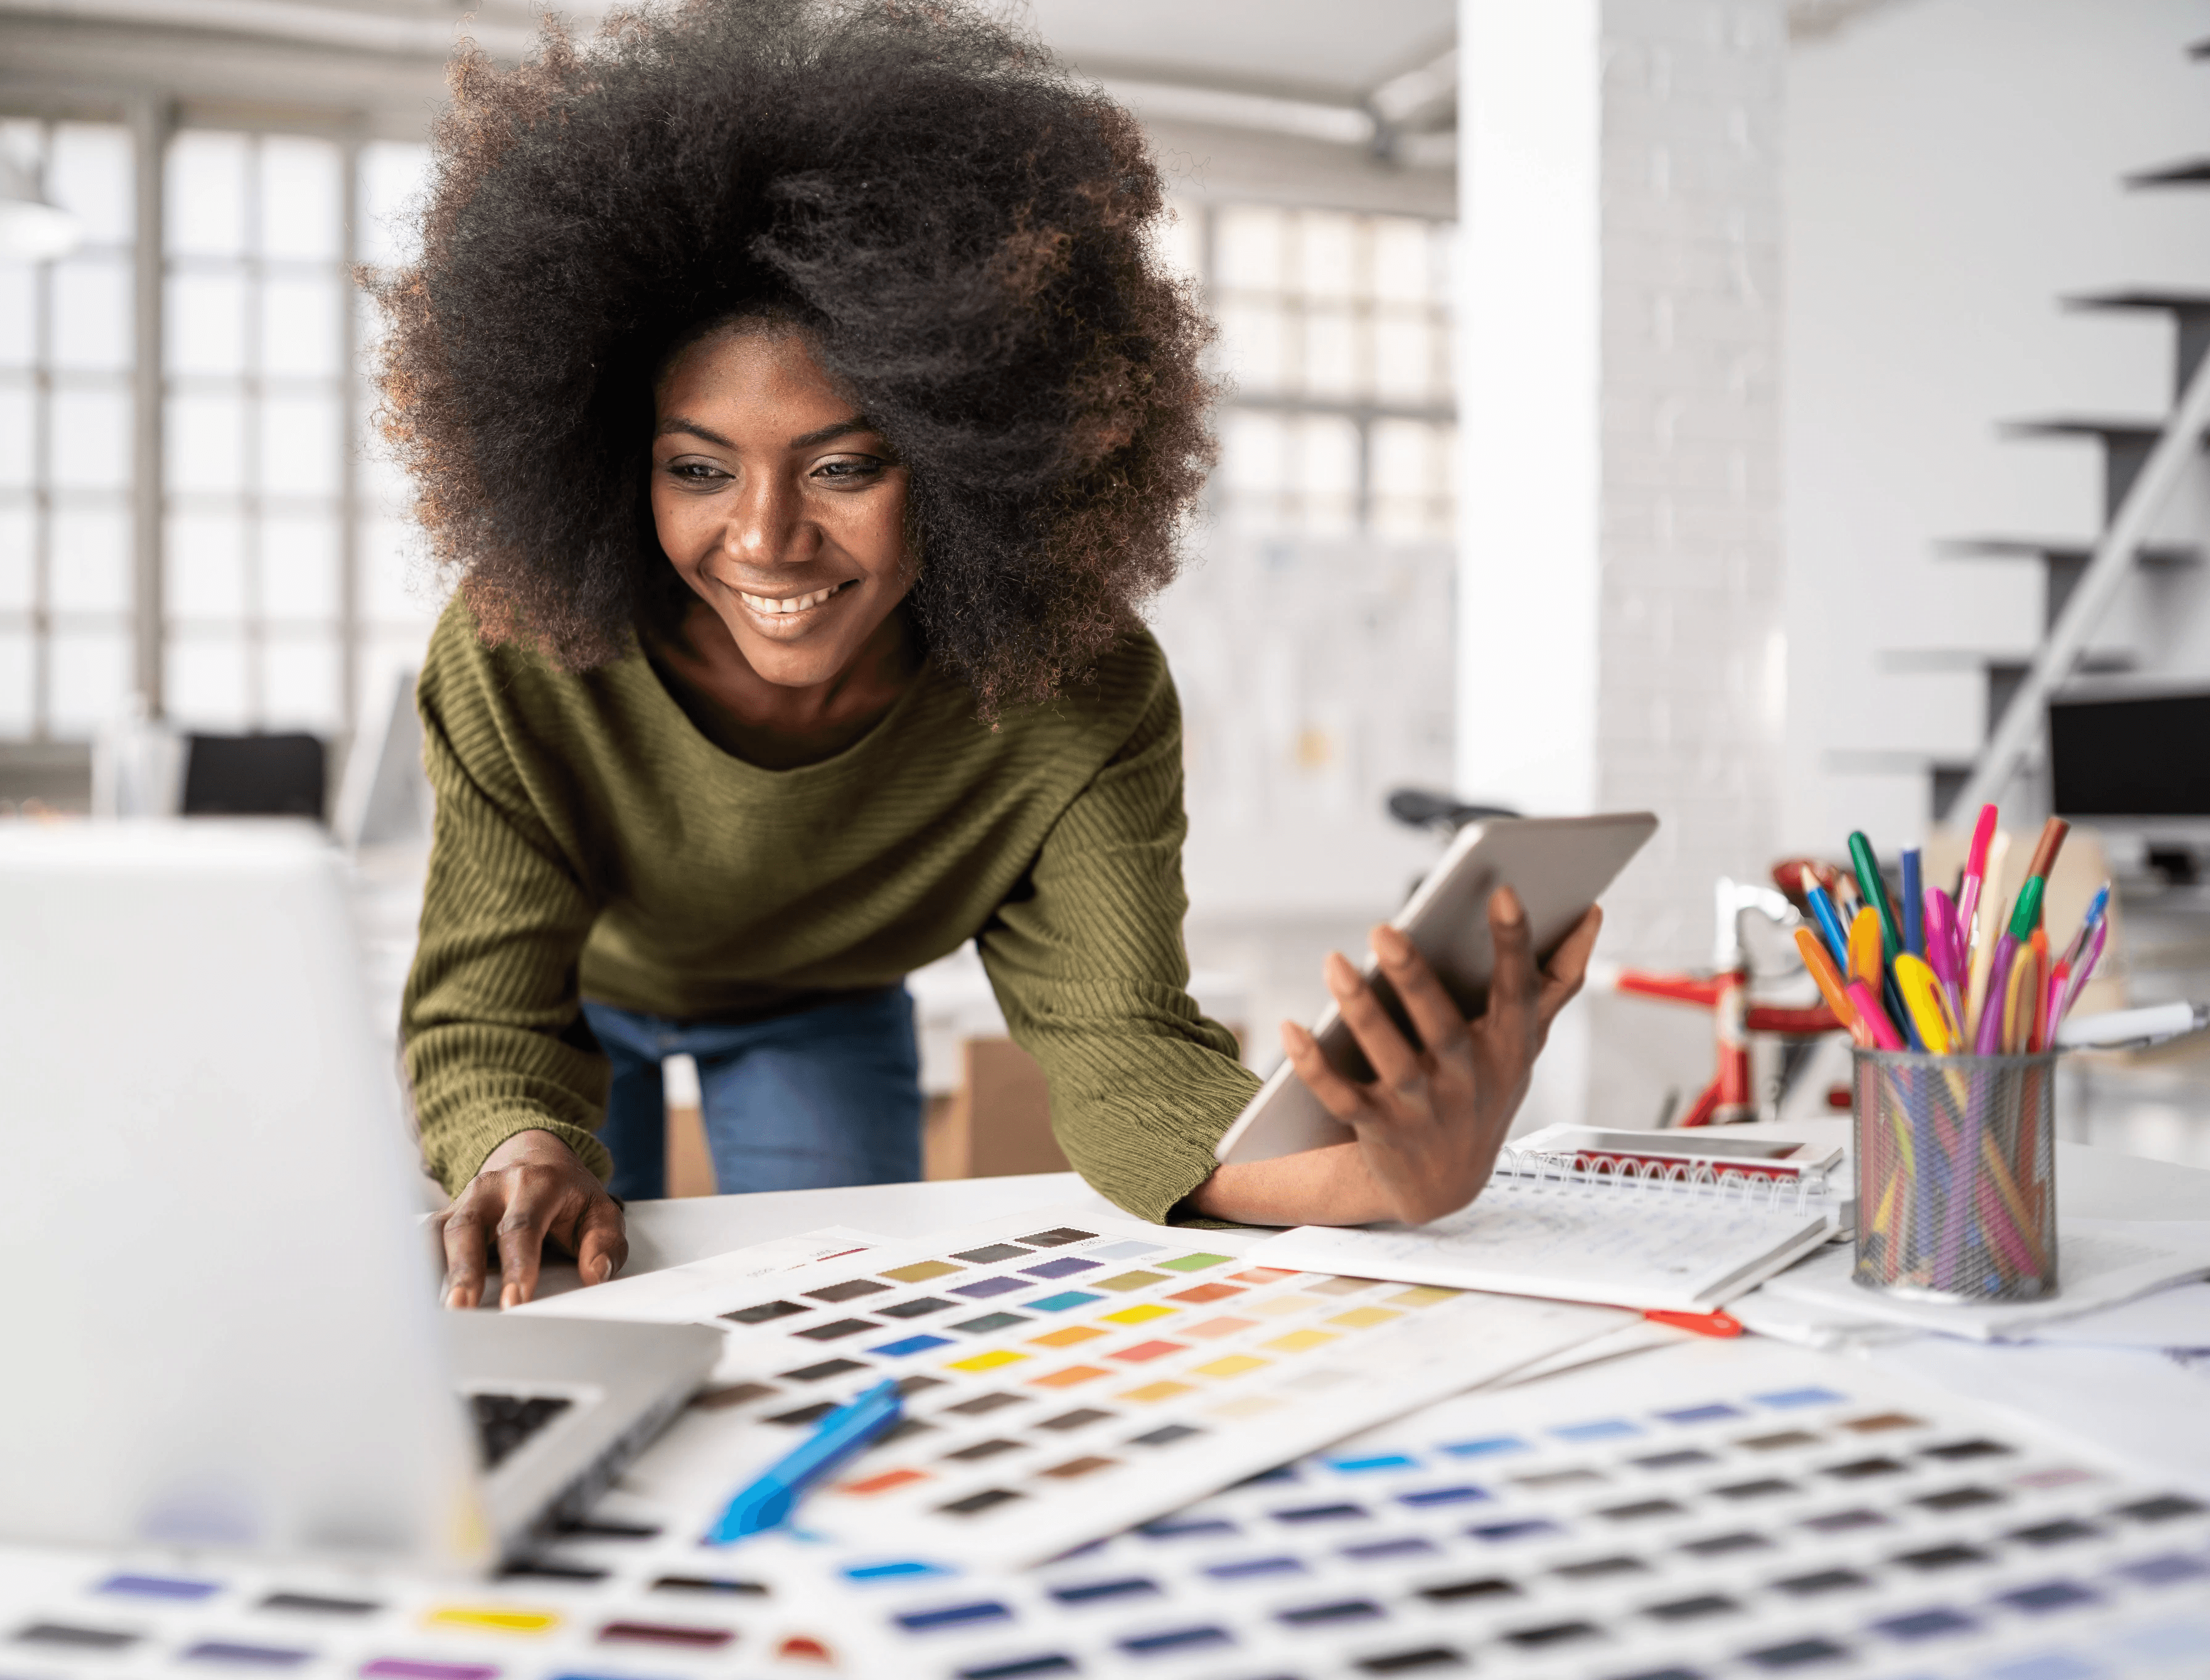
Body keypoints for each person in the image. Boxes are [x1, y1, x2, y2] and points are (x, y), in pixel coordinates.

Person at [375, 0, 1602, 1310]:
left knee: (829, 1315)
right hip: (582, 986)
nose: (767, 539)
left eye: (842, 466)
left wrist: (1376, 1182)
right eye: (696, 469)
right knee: (559, 1294)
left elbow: (1125, 1053)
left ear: (973, 464)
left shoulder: (1073, 692)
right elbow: (488, 1006)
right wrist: (519, 1145)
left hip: (821, 1001)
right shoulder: (522, 648)